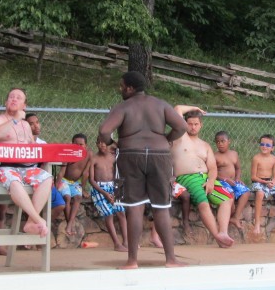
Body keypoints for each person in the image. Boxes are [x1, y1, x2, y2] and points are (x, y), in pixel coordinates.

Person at [97, 71, 188, 268]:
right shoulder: (161, 104)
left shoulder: (123, 107)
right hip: (159, 156)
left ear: (130, 88)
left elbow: (104, 130)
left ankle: (132, 260)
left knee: (134, 207)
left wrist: (111, 143)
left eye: (122, 86)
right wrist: (166, 139)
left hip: (131, 156)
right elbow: (181, 126)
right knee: (161, 207)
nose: (120, 89)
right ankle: (171, 259)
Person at [0, 87, 54, 239]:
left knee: (47, 178)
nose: (14, 99)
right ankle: (38, 219)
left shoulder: (26, 125)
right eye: (11, 97)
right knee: (15, 182)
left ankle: (31, 221)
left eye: (18, 98)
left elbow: (32, 146)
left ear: (24, 105)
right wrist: (15, 119)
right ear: (6, 102)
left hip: (28, 168)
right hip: (7, 168)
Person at [171, 110, 234, 248]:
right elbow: (177, 109)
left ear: (201, 125)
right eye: (190, 124)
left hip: (206, 177)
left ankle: (223, 232)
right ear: (184, 124)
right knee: (203, 202)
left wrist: (211, 180)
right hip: (187, 178)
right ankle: (217, 237)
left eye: (196, 124)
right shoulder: (179, 138)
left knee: (227, 198)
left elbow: (212, 167)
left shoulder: (205, 145)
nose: (193, 127)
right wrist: (196, 108)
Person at [89, 139, 128, 252]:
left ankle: (126, 241)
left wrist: (117, 190)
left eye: (104, 142)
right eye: (99, 142)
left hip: (115, 186)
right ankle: (116, 243)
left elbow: (117, 175)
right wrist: (105, 193)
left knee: (121, 212)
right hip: (99, 189)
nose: (102, 144)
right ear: (96, 144)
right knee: (109, 214)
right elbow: (91, 180)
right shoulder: (94, 159)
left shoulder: (113, 158)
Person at [213, 130, 252, 231]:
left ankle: (235, 217)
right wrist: (225, 179)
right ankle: (222, 222)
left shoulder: (234, 154)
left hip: (233, 181)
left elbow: (238, 168)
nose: (220, 144)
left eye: (223, 141)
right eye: (218, 142)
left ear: (229, 141)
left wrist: (237, 178)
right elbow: (213, 173)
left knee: (246, 192)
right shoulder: (215, 156)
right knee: (230, 196)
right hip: (221, 182)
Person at [58, 134, 92, 236]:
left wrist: (83, 188)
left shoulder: (89, 155)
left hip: (75, 183)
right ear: (71, 144)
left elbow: (86, 173)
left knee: (78, 197)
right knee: (67, 198)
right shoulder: (69, 153)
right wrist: (57, 184)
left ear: (86, 145)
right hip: (64, 180)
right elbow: (61, 172)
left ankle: (70, 223)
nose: (78, 147)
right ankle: (70, 224)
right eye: (75, 144)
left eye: (81, 144)